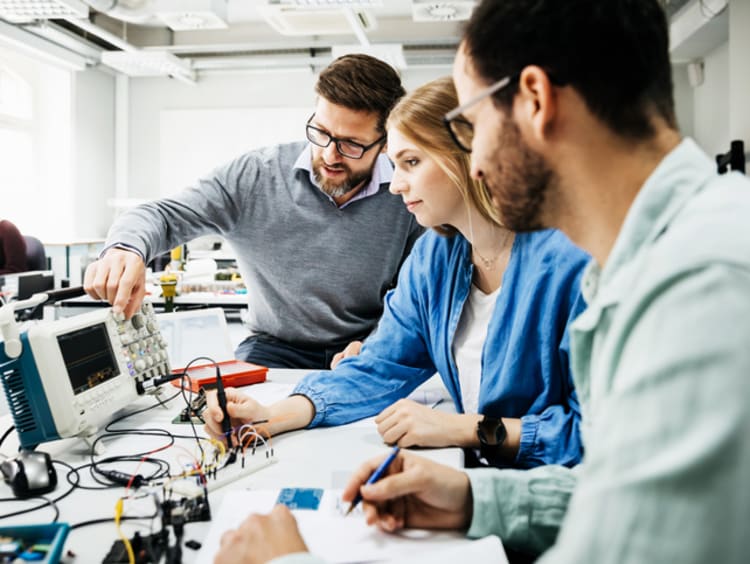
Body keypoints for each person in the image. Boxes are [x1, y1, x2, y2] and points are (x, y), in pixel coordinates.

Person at [213, 1, 750, 563]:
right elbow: (624, 500)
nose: (474, 160)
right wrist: (474, 497)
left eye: (470, 123)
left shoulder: (700, 285)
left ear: (536, 101)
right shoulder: (651, 260)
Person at [205, 77, 588, 468]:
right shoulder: (436, 256)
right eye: (395, 164)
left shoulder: (572, 262)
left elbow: (592, 433)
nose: (395, 185)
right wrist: (273, 417)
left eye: (411, 162)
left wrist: (465, 429)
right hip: (483, 481)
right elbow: (380, 367)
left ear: (470, 154)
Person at [83, 54, 422, 370]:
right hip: (272, 347)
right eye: (320, 132)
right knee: (233, 424)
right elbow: (164, 215)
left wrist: (379, 342)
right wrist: (124, 248)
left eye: (351, 144)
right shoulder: (256, 176)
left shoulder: (407, 193)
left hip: (367, 346)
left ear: (385, 143)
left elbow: (417, 293)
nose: (330, 155)